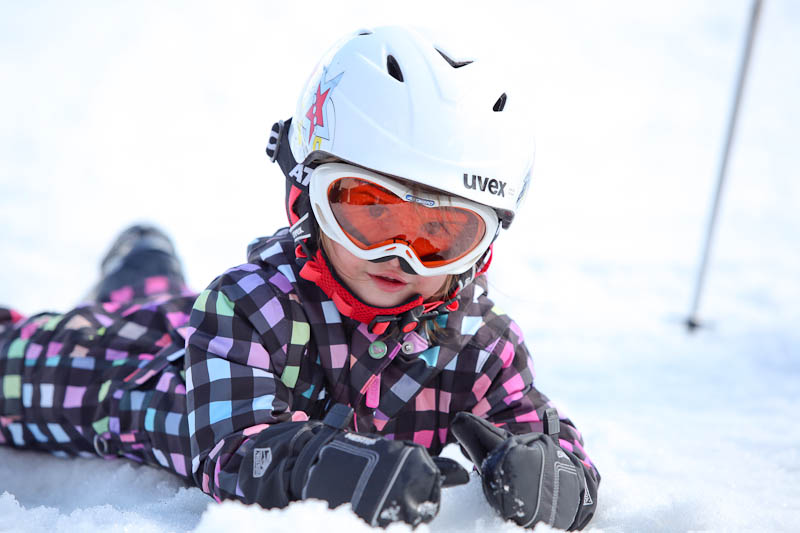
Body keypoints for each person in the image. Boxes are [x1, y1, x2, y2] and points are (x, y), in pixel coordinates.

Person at [0, 26, 599, 530]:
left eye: (442, 235)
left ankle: (146, 265)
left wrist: (550, 477)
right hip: (130, 378)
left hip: (193, 328)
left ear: (482, 250)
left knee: (157, 299)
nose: (400, 256)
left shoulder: (483, 346)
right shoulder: (248, 305)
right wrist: (332, 468)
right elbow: (233, 452)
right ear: (304, 201)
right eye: (369, 212)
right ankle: (144, 262)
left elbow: (554, 443)